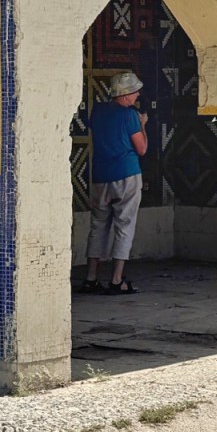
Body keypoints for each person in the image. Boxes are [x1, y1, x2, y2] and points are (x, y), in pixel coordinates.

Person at [79, 70, 148, 294]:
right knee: (124, 226)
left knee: (98, 226)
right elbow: (142, 149)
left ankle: (91, 277)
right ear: (126, 95)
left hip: (100, 176)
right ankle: (117, 279)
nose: (137, 95)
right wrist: (143, 124)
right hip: (126, 175)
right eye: (135, 92)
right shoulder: (130, 116)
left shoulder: (98, 111)